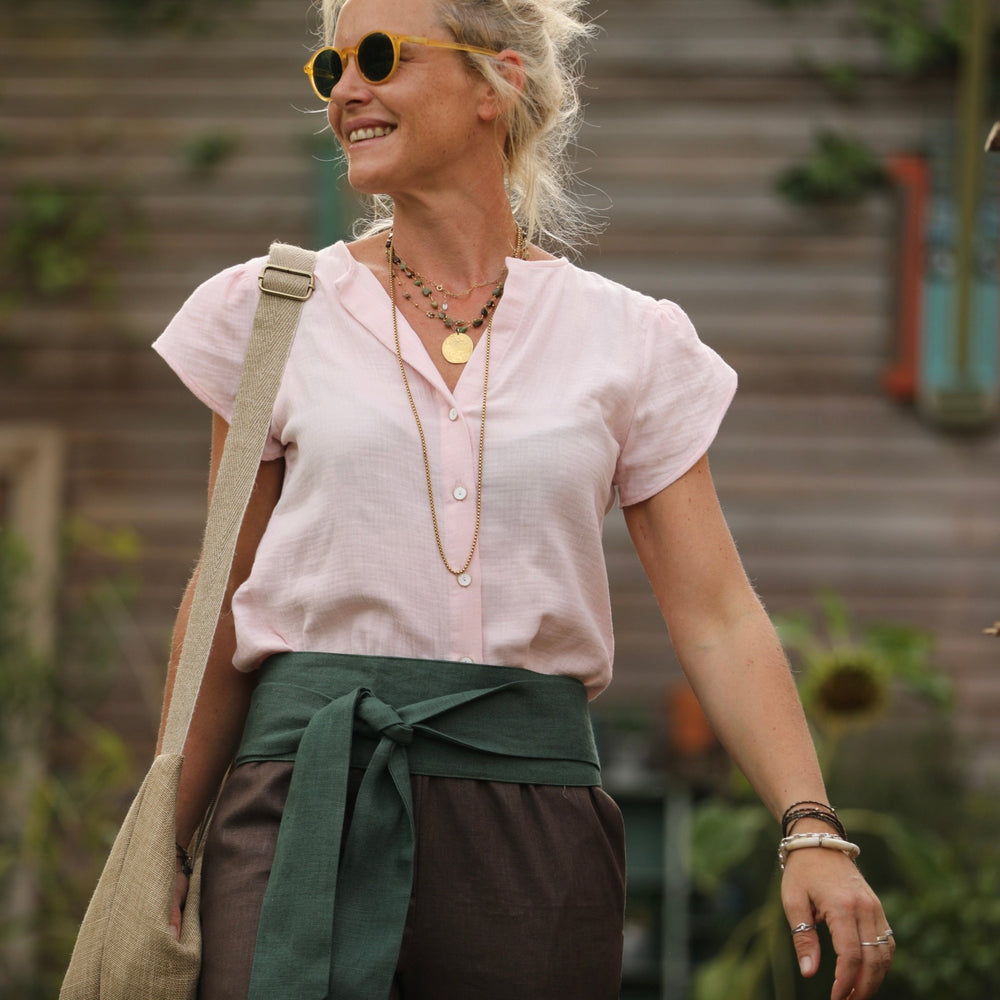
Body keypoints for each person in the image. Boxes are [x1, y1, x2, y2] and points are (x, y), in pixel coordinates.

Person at [154, 0, 895, 997]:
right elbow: (220, 593)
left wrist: (810, 824)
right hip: (301, 808)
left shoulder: (628, 340)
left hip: (532, 827)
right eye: (331, 67)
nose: (346, 91)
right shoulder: (271, 311)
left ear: (495, 83)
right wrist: (163, 841)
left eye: (379, 57)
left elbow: (717, 611)